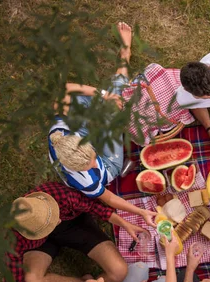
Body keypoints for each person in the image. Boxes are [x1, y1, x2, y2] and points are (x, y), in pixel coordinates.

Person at [48, 22, 156, 227]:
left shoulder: (60, 131)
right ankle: (126, 52)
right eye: (89, 165)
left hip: (83, 125)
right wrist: (141, 212)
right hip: (108, 164)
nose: (92, 162)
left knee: (109, 98)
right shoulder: (85, 181)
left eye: (90, 156)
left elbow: (66, 89)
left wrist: (104, 96)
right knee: (116, 102)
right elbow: (110, 199)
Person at [6, 181, 146, 282]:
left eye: (54, 216)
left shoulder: (60, 195)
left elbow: (95, 207)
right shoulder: (11, 240)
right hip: (40, 244)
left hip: (74, 226)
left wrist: (124, 224)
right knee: (32, 280)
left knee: (118, 271)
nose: (57, 221)